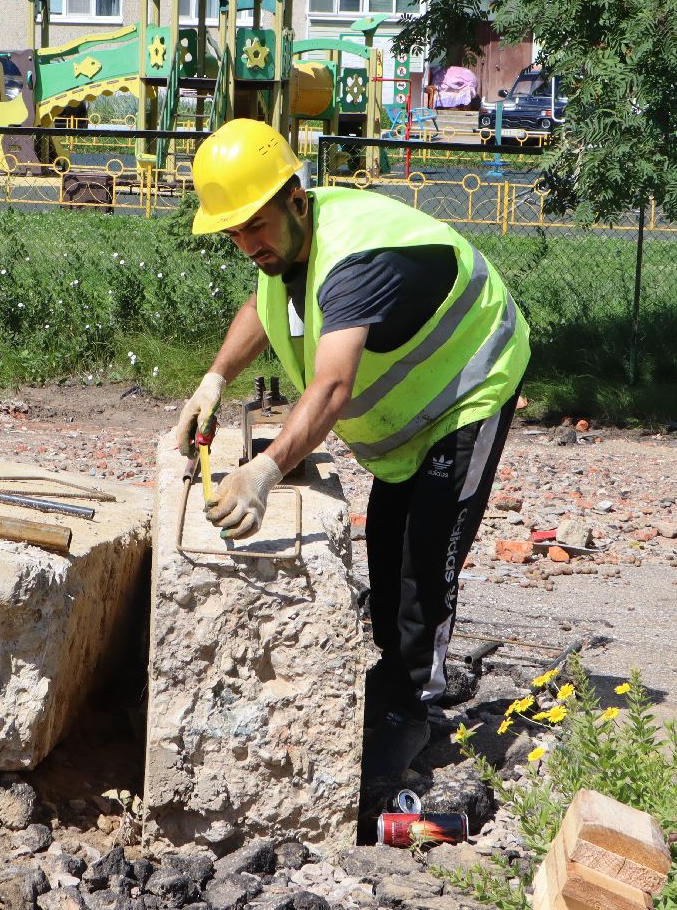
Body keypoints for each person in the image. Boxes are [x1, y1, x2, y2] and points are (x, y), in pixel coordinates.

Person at [172, 119, 530, 777]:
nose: (247, 243)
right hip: (408, 424)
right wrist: (213, 379)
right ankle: (390, 676)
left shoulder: (354, 262)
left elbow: (333, 387)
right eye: (234, 231)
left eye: (255, 225)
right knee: (388, 544)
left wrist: (265, 470)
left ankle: (411, 707)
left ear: (296, 200)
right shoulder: (287, 244)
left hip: (468, 387)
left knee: (426, 562)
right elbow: (263, 301)